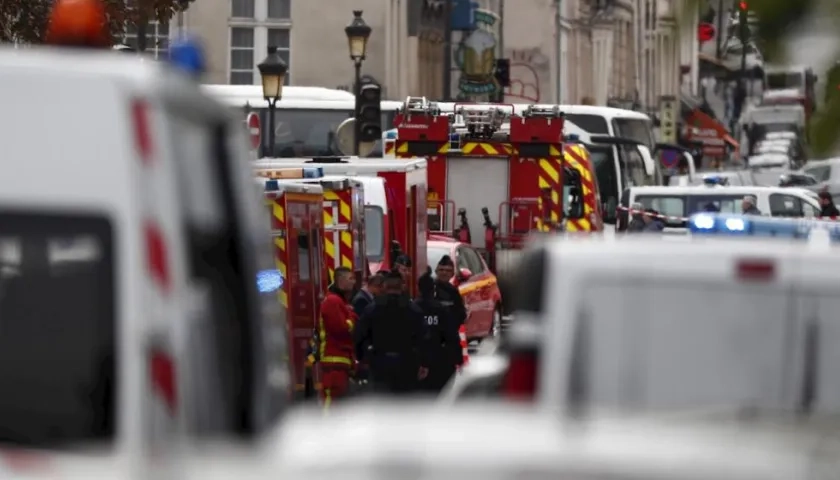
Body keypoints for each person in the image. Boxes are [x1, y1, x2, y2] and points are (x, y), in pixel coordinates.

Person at [354, 271, 428, 395]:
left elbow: (359, 335)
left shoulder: (372, 308)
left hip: (380, 365)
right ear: (402, 286)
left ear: (384, 286)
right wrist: (424, 363)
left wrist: (363, 358)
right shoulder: (413, 309)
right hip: (406, 365)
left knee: (382, 406)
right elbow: (424, 337)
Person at [415, 268, 462, 394]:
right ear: (433, 290)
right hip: (439, 362)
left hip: (415, 363)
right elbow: (451, 336)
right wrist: (458, 359)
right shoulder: (441, 310)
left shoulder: (412, 309)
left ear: (418, 289)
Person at [318, 266, 358, 409]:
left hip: (339, 364)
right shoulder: (333, 301)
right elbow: (341, 328)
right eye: (350, 279)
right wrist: (352, 318)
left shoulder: (340, 302)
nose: (354, 282)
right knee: (331, 404)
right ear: (340, 281)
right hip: (334, 363)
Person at [433, 255, 467, 327]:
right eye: (441, 270)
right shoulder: (430, 289)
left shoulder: (454, 292)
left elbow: (461, 315)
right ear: (436, 271)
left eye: (448, 271)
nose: (444, 273)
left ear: (452, 274)